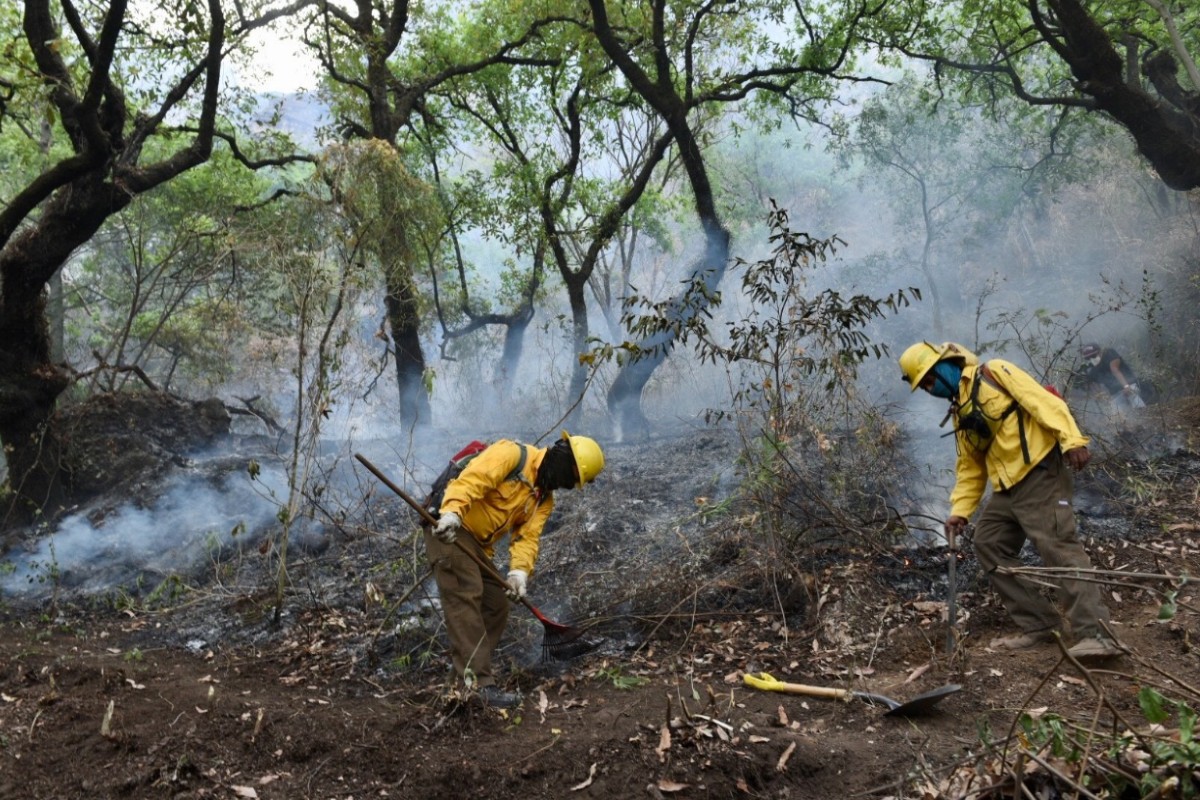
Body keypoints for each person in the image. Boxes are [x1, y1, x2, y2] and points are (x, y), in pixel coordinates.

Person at [899, 341, 1120, 659]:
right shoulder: (961, 411)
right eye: (925, 386)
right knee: (989, 542)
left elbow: (1044, 403)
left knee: (1058, 546)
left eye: (930, 380)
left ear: (946, 364)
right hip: (1007, 488)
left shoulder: (995, 373)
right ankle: (1041, 625)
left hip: (1040, 472)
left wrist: (1072, 440)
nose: (930, 388)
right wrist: (960, 511)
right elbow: (970, 467)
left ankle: (1096, 634)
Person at [426, 431, 605, 708]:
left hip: (479, 545)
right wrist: (452, 512)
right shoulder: (512, 455)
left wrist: (519, 572)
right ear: (561, 457)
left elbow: (527, 538)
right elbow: (473, 480)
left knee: (496, 606)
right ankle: (478, 687)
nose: (566, 485)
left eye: (572, 483)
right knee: (466, 594)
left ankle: (460, 685)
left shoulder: (542, 500)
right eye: (569, 477)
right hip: (451, 528)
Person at [1077, 343, 1147, 414]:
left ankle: (1143, 414)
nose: (1092, 359)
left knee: (1134, 399)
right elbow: (1093, 383)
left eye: (1093, 356)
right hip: (1115, 393)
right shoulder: (1093, 369)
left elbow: (1115, 369)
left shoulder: (1109, 353)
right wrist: (1101, 396)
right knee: (1117, 415)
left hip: (1129, 384)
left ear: (1099, 352)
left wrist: (1126, 386)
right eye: (1088, 358)